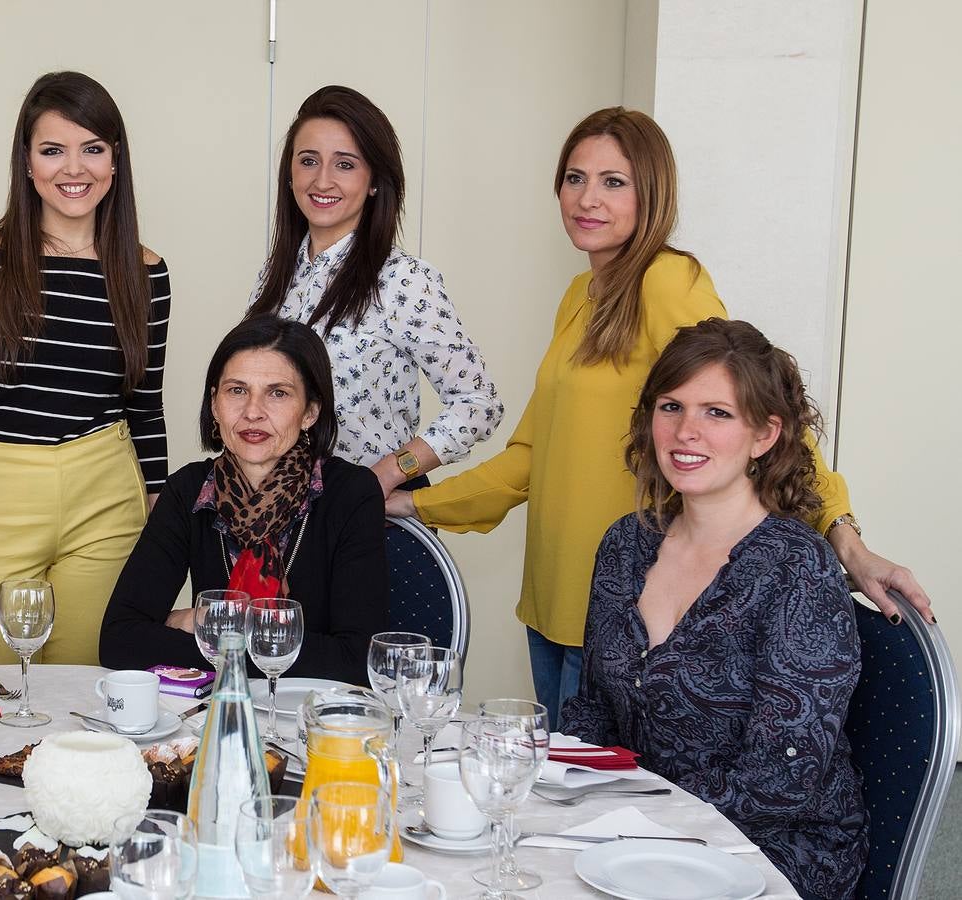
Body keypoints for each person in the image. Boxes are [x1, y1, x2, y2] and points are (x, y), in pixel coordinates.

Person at [388, 106, 931, 726]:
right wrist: (410, 502)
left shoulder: (668, 280)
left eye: (613, 182)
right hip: (556, 598)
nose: (587, 198)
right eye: (574, 178)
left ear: (652, 193)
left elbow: (762, 409)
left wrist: (848, 541)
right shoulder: (580, 295)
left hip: (627, 607)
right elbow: (531, 457)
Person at [562, 318, 867, 899]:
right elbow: (596, 711)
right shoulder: (625, 544)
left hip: (772, 847)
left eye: (717, 413)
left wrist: (642, 821)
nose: (685, 432)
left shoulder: (797, 568)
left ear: (765, 435)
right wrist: (559, 789)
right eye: (671, 407)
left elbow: (782, 781)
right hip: (640, 832)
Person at [0, 71, 171, 665]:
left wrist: (159, 507)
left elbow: (145, 403)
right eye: (52, 150)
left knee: (87, 684)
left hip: (106, 488)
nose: (72, 169)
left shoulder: (146, 271)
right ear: (27, 163)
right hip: (0, 487)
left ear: (115, 161)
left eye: (92, 149)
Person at [98, 316, 387, 685]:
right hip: (214, 714)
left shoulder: (351, 493)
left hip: (317, 719)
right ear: (215, 404)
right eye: (237, 390)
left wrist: (201, 625)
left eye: (278, 393)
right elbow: (118, 641)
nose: (253, 411)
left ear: (310, 412)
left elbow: (357, 660)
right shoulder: (188, 489)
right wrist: (280, 648)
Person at [250, 85, 502, 496]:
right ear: (290, 174)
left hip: (366, 519)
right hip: (280, 512)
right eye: (308, 160)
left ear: (373, 182)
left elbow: (479, 403)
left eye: (345, 164)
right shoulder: (275, 277)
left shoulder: (403, 280)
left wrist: (387, 474)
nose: (322, 180)